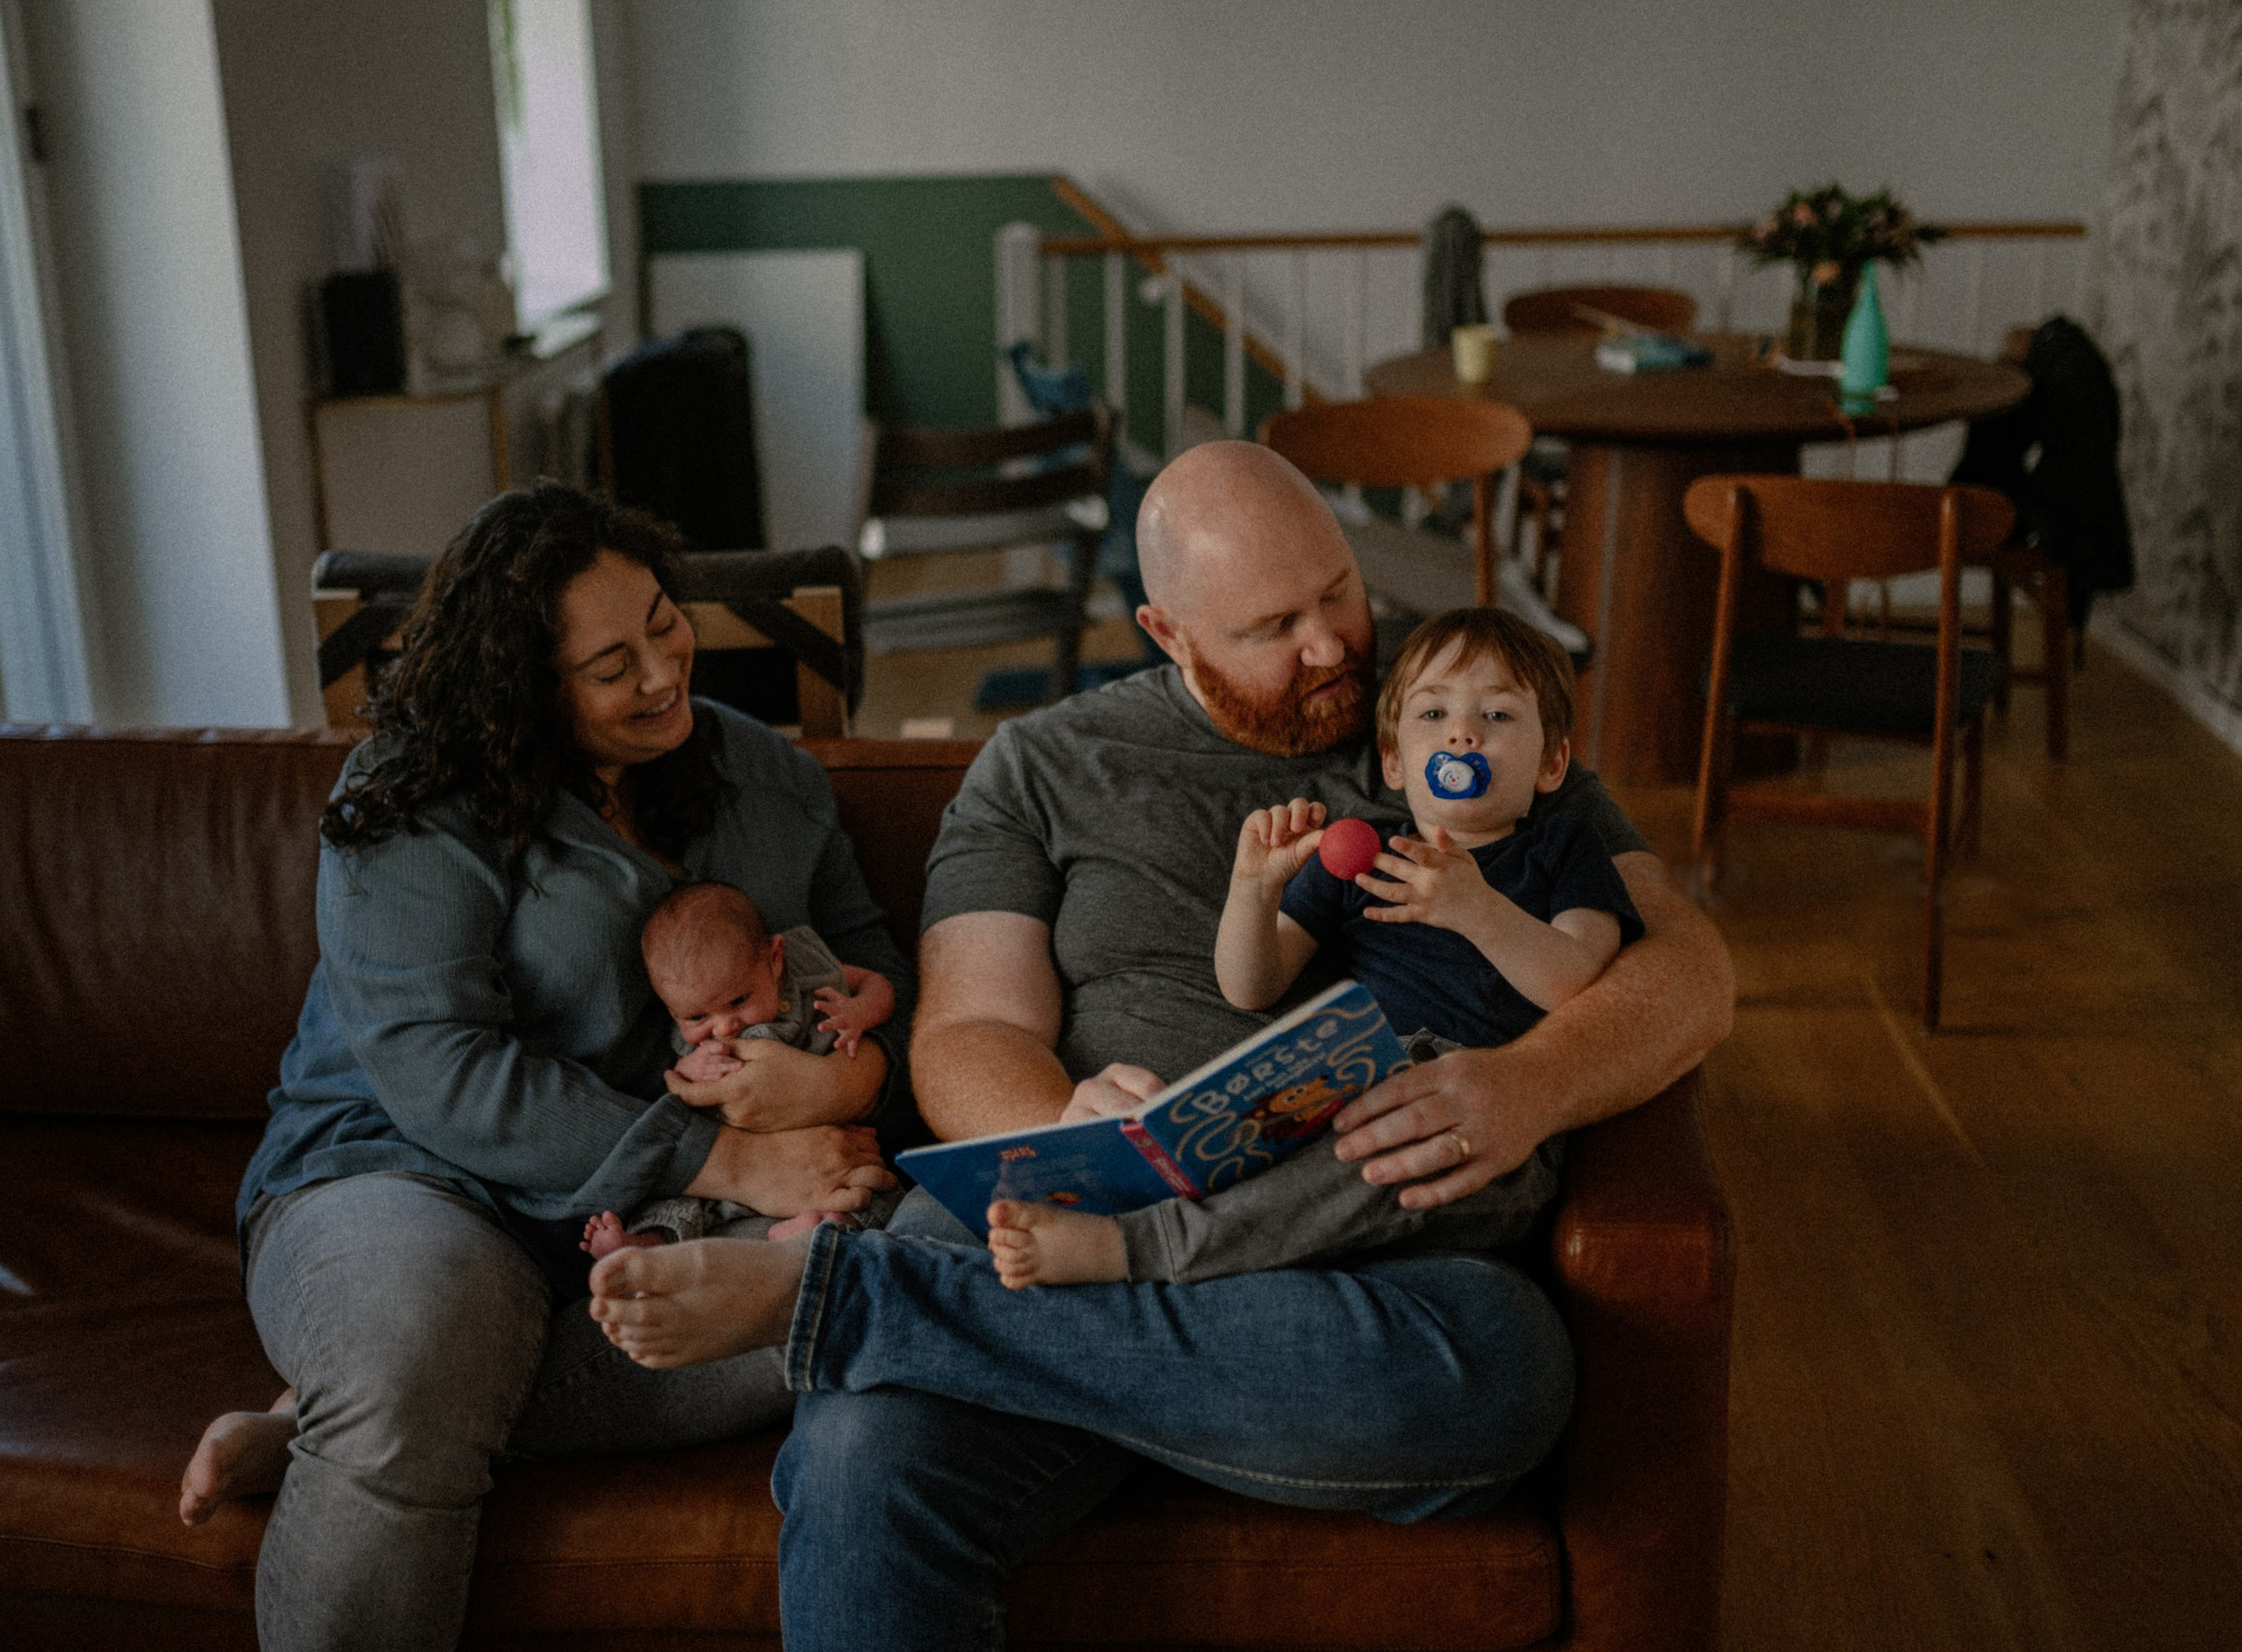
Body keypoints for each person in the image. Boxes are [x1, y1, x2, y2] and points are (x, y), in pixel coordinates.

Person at [584, 441, 1735, 1652]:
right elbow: (970, 1029)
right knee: (867, 1449)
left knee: (1501, 1371)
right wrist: (1070, 1121)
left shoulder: (1459, 704)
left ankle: (864, 1299)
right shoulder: (1039, 765)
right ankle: (943, 1314)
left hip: (1362, 1250)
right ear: (1166, 630)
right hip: (1077, 1221)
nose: (1333, 646)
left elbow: (1687, 970)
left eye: (1338, 590)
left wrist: (1532, 1083)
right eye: (1272, 623)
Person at [174, 481, 904, 1652]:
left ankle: (335, 1417)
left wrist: (851, 1079)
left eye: (665, 622)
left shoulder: (768, 780)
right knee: (420, 1338)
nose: (665, 673)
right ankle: (382, 1397)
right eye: (611, 665)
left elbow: (869, 964)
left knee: (880, 1275)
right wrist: (726, 1152)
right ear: (526, 685)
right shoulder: (411, 796)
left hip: (661, 1210)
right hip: (409, 1175)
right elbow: (440, 1072)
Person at [986, 605, 1641, 1288]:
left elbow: (1579, 982)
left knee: (1369, 1169)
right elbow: (1250, 986)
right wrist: (1254, 891)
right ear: (1394, 761)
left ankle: (1139, 1249)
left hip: (1479, 1128)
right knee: (1264, 1142)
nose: (1463, 731)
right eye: (1432, 715)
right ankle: (1173, 1225)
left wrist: (1479, 911)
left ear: (1552, 760)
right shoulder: (1364, 855)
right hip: (1351, 1086)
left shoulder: (1566, 848)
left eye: (1498, 717)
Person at [585, 880, 898, 1258]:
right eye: (697, 1016)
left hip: (827, 1142)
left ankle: (822, 1227)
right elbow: (678, 1082)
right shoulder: (692, 1039)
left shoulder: (807, 970)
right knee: (687, 1197)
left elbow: (877, 982)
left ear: (774, 958)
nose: (724, 1026)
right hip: (737, 1163)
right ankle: (645, 1245)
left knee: (869, 1188)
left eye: (739, 1000)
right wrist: (692, 1066)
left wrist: (861, 1012)